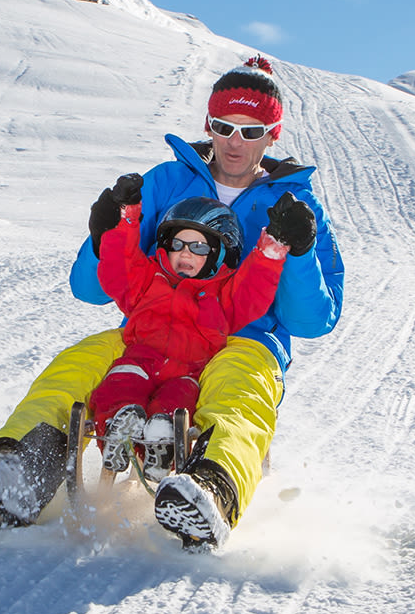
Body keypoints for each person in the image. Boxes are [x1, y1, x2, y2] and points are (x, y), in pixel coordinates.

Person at [0, 56, 342, 547]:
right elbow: (93, 288)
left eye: (251, 130)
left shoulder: (295, 204)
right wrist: (104, 235)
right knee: (75, 366)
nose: (234, 142)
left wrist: (299, 252)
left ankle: (211, 491)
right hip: (149, 333)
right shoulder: (165, 182)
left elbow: (312, 321)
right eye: (225, 127)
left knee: (239, 398)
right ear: (209, 124)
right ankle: (17, 471)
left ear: (274, 133)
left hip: (243, 334)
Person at [87, 195, 287, 473]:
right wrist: (126, 218)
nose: (185, 253)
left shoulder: (223, 296)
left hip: (189, 374)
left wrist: (273, 245)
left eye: (198, 247)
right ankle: (119, 428)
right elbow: (120, 266)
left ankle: (163, 446)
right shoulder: (148, 280)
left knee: (177, 405)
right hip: (140, 360)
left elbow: (254, 286)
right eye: (177, 244)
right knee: (119, 384)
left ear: (218, 253)